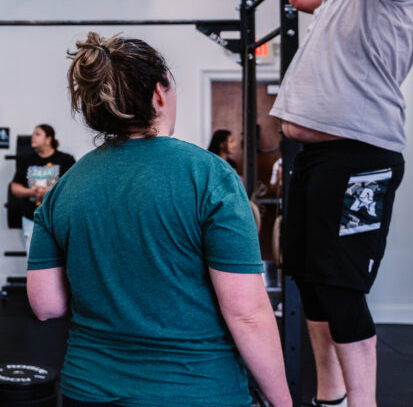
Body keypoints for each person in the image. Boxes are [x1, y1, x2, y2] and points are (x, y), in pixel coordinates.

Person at [27, 32, 291, 406]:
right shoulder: (210, 176)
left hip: (87, 390)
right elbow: (247, 313)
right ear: (159, 93)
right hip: (196, 391)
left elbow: (46, 305)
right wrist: (282, 401)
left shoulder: (63, 188)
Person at [269, 0, 413, 407]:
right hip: (315, 158)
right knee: (307, 277)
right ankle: (329, 398)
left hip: (361, 154)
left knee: (341, 284)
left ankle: (362, 404)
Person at [9, 124, 76, 251]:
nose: (32, 137)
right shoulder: (27, 160)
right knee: (32, 255)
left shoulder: (65, 160)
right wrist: (31, 192)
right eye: (33, 134)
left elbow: (74, 186)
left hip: (57, 217)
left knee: (59, 255)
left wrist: (51, 192)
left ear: (48, 138)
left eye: (37, 134)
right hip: (31, 216)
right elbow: (15, 187)